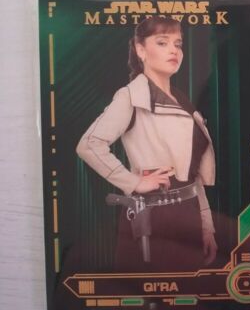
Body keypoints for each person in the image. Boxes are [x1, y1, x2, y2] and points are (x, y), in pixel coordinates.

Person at [76, 17, 218, 271]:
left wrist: (207, 227)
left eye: (178, 44)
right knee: (147, 292)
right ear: (140, 50)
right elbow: (89, 144)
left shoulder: (185, 103)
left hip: (189, 215)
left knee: (189, 292)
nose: (174, 50)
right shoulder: (132, 96)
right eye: (162, 43)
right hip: (153, 218)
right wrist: (134, 182)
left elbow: (193, 175)